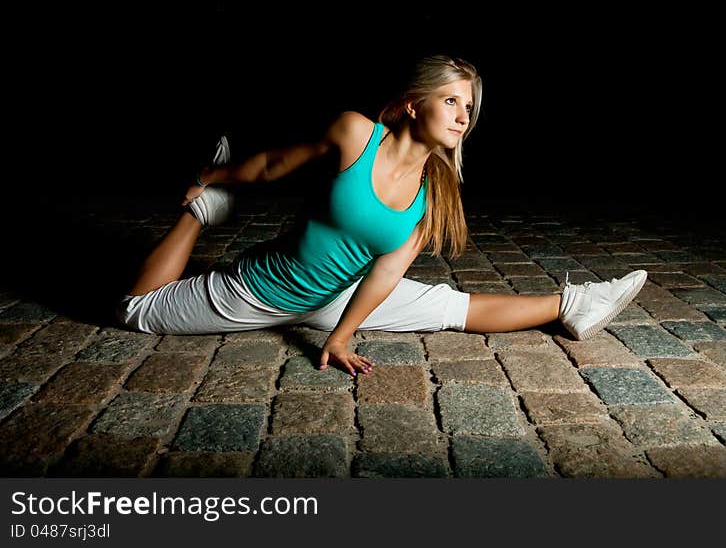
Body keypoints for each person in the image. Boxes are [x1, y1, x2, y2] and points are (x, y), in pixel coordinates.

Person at [116, 55, 647, 376]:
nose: (464, 117)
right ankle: (205, 213)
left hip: (336, 299)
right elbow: (274, 165)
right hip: (261, 291)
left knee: (449, 307)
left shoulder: (437, 192)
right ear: (415, 104)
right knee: (134, 311)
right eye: (451, 102)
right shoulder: (355, 134)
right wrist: (216, 180)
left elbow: (388, 273)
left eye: (469, 108)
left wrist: (342, 335)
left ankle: (573, 304)